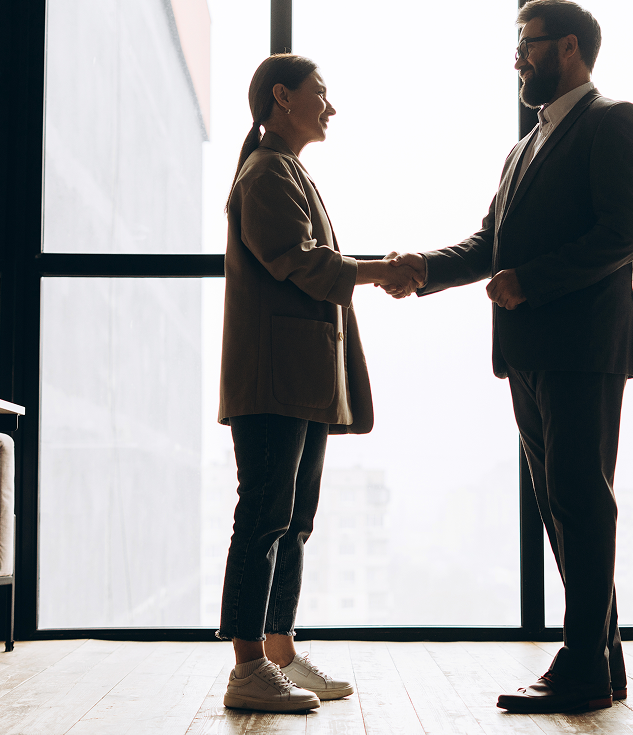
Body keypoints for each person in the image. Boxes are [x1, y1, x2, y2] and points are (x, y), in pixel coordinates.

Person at [387, 0, 633, 714]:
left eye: (526, 45)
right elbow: (487, 247)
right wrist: (423, 267)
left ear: (568, 47)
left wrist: (529, 281)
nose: (517, 60)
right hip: (530, 352)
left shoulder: (613, 120)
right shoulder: (523, 147)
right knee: (560, 503)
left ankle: (580, 667)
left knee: (580, 500)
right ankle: (603, 662)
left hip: (582, 348)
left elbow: (626, 232)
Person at [217, 54, 421, 713]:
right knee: (264, 516)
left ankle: (278, 651)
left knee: (292, 521)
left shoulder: (285, 168)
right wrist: (377, 271)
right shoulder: (268, 170)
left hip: (299, 381)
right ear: (282, 97)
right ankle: (249, 665)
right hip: (274, 379)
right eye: (320, 94)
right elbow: (299, 263)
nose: (329, 107)